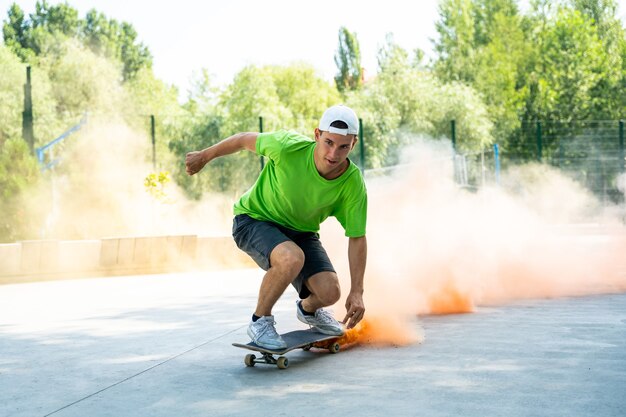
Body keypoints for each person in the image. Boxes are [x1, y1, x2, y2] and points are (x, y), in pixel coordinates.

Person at [185, 105, 367, 350]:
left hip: (301, 232)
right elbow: (242, 140)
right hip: (254, 219)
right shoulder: (287, 146)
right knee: (291, 258)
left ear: (353, 144)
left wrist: (357, 291)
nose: (333, 153)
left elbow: (357, 237)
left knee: (330, 292)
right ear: (316, 135)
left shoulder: (353, 183)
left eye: (343, 146)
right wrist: (204, 156)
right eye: (328, 142)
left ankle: (308, 311)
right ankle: (260, 321)